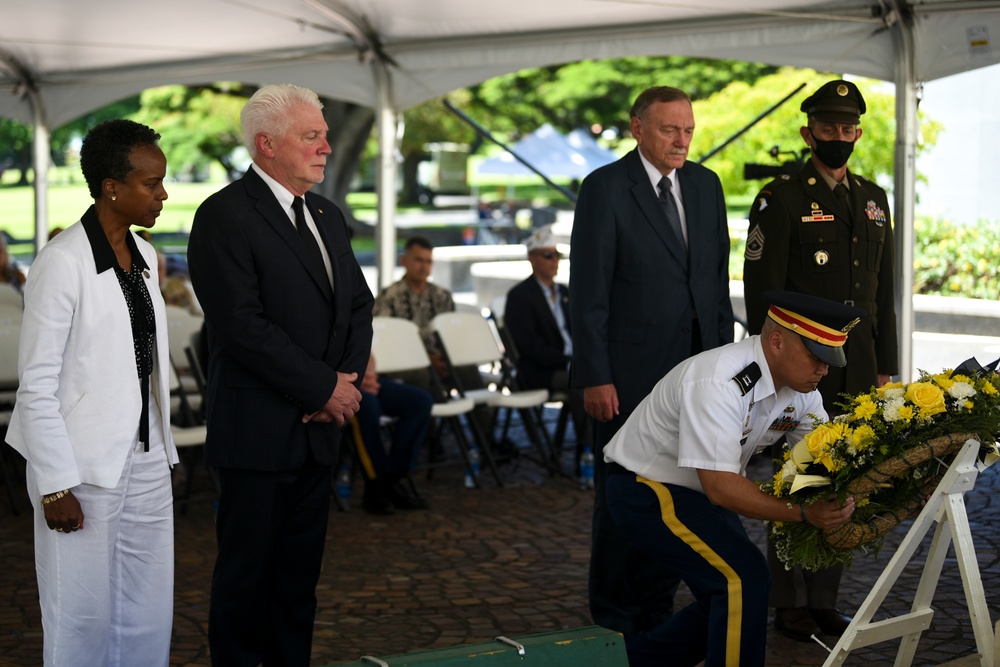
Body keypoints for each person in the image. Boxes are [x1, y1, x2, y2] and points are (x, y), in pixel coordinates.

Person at [187, 83, 374, 667]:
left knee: (298, 582)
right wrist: (323, 388)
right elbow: (242, 326)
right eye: (310, 136)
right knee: (246, 582)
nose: (324, 147)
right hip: (257, 432)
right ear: (266, 145)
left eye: (323, 134)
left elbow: (358, 306)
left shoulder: (326, 213)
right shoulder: (223, 215)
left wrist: (338, 385)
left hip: (319, 429)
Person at [604, 291, 862, 666]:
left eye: (828, 360)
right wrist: (805, 513)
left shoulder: (802, 390)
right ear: (776, 341)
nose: (824, 369)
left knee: (737, 593)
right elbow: (721, 487)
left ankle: (632, 662)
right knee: (741, 580)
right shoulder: (719, 379)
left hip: (697, 491)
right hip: (646, 485)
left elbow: (826, 459)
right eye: (815, 356)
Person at [5, 119, 178, 665]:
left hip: (147, 454)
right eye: (151, 184)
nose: (163, 194)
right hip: (79, 465)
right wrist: (53, 483)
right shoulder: (61, 262)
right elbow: (36, 384)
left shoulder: (147, 256)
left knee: (148, 607)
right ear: (111, 187)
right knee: (80, 616)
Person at [569, 85, 735, 635]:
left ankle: (657, 608)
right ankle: (616, 617)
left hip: (699, 378)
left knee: (686, 494)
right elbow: (588, 292)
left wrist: (728, 371)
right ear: (638, 127)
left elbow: (713, 286)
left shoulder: (708, 187)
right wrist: (595, 375)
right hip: (628, 378)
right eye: (669, 130)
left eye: (688, 130)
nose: (682, 141)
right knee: (626, 500)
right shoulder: (605, 188)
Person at [742, 79, 899, 641]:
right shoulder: (781, 197)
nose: (839, 137)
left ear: (858, 131)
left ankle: (825, 596)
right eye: (828, 128)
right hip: (801, 362)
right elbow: (762, 293)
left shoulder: (874, 197)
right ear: (809, 133)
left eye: (848, 128)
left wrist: (887, 363)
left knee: (848, 474)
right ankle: (788, 600)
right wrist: (773, 364)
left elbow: (885, 294)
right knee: (799, 473)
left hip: (858, 364)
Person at [504, 224, 591, 460]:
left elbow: (581, 330)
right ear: (532, 259)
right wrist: (569, 360)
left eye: (558, 255)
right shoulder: (519, 297)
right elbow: (530, 347)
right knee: (582, 383)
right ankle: (588, 452)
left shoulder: (565, 292)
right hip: (541, 371)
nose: (555, 261)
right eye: (548, 255)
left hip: (572, 363)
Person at [351, 354, 434, 515]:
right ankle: (375, 486)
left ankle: (394, 479)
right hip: (334, 383)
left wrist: (368, 375)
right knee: (367, 406)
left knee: (420, 401)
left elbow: (365, 347)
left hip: (360, 377)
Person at [372, 236, 454, 376]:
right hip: (404, 361)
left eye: (428, 261)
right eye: (418, 260)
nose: (424, 267)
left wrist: (442, 357)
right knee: (422, 375)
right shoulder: (389, 296)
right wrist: (427, 358)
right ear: (404, 261)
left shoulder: (442, 296)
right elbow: (384, 338)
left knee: (468, 372)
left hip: (442, 358)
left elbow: (451, 333)